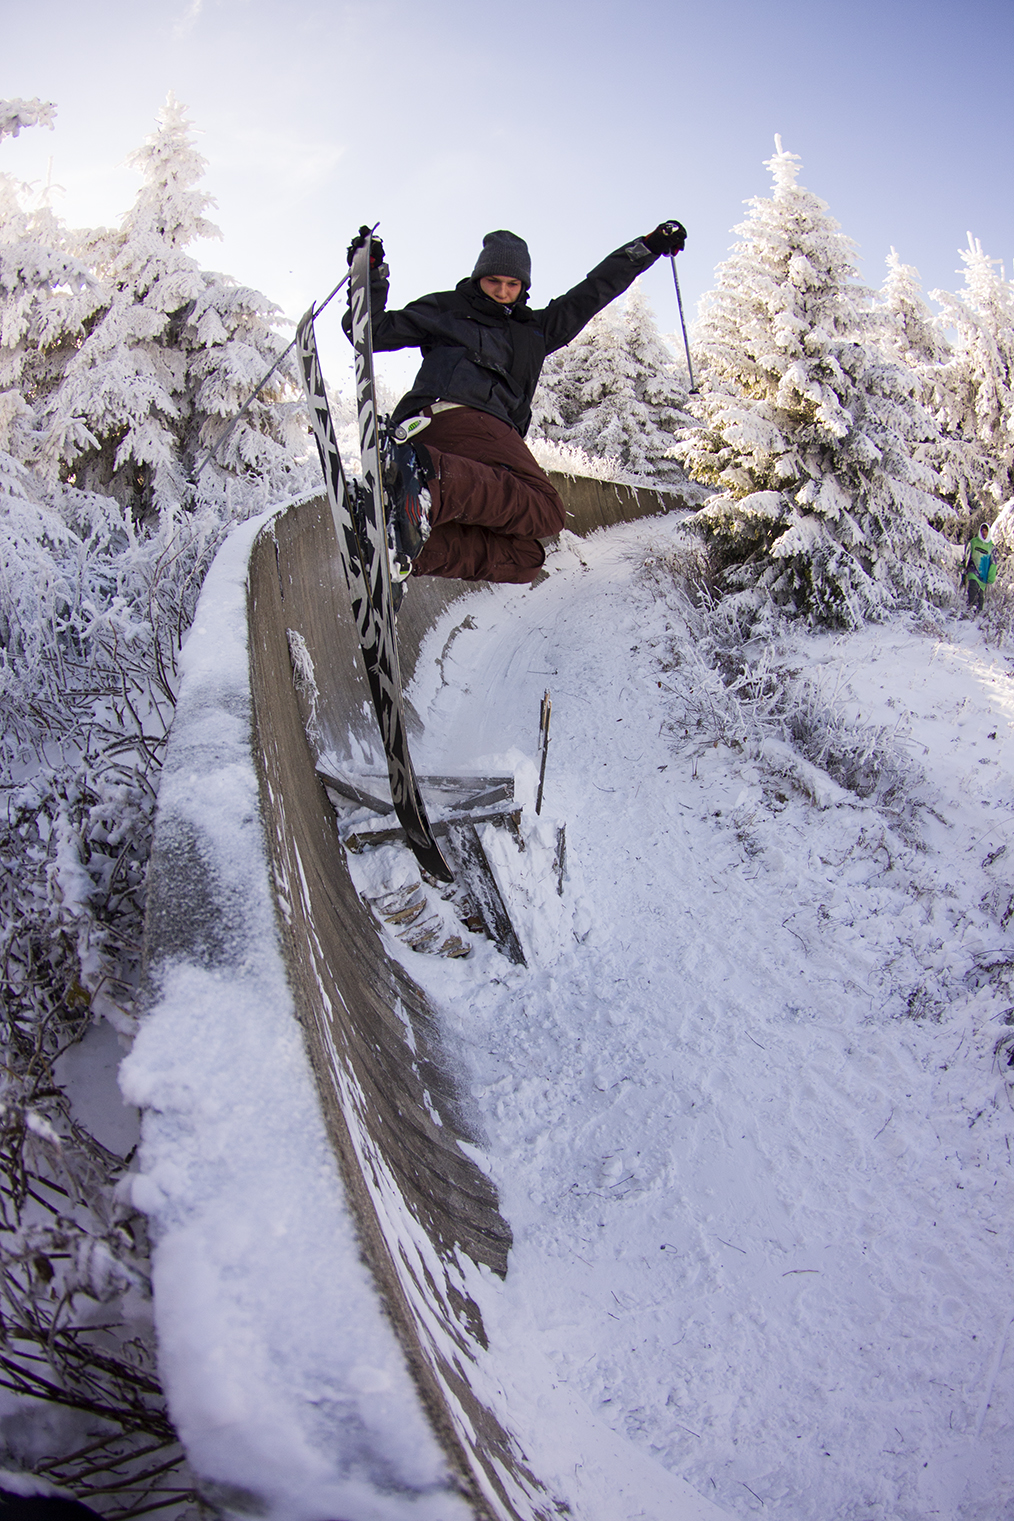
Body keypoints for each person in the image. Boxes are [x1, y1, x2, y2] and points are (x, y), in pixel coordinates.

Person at [342, 220, 687, 595]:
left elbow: (593, 291)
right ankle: (424, 477)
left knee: (525, 559)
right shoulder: (448, 308)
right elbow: (369, 331)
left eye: (512, 284)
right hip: (453, 417)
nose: (502, 292)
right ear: (479, 279)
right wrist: (370, 274)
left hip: (485, 441)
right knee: (547, 510)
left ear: (523, 287)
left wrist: (647, 247)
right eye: (494, 282)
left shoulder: (535, 329)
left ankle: (403, 549)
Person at [963, 521, 996, 613]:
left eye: (986, 531)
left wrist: (991, 577)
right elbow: (967, 555)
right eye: (982, 530)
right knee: (972, 588)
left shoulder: (991, 547)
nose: (984, 532)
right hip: (973, 570)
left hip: (984, 575)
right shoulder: (973, 542)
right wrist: (965, 567)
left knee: (981, 595)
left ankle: (979, 614)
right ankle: (969, 609)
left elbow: (993, 563)